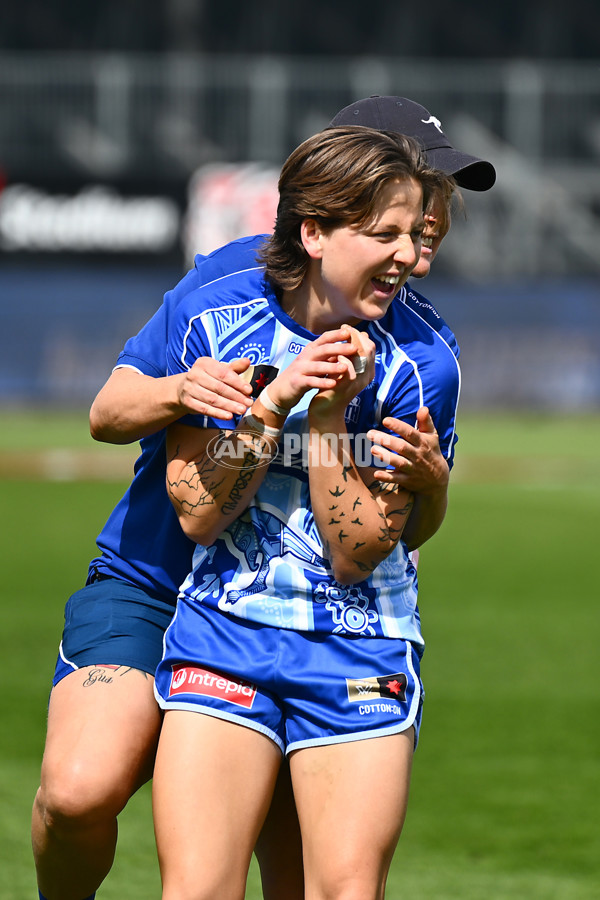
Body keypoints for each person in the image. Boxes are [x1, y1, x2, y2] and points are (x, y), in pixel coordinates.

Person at [32, 96, 495, 900]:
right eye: (414, 205)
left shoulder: (421, 349)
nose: (423, 244)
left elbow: (394, 535)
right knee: (79, 790)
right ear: (336, 198)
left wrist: (434, 486)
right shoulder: (228, 288)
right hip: (158, 576)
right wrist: (193, 389)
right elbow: (111, 412)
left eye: (428, 218)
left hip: (309, 612)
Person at [152, 125, 460, 899]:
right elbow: (195, 514)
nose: (406, 255)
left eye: (412, 235)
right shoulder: (222, 325)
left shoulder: (422, 362)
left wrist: (327, 421)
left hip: (358, 646)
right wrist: (275, 398)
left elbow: (359, 554)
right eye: (381, 233)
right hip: (224, 633)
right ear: (314, 232)